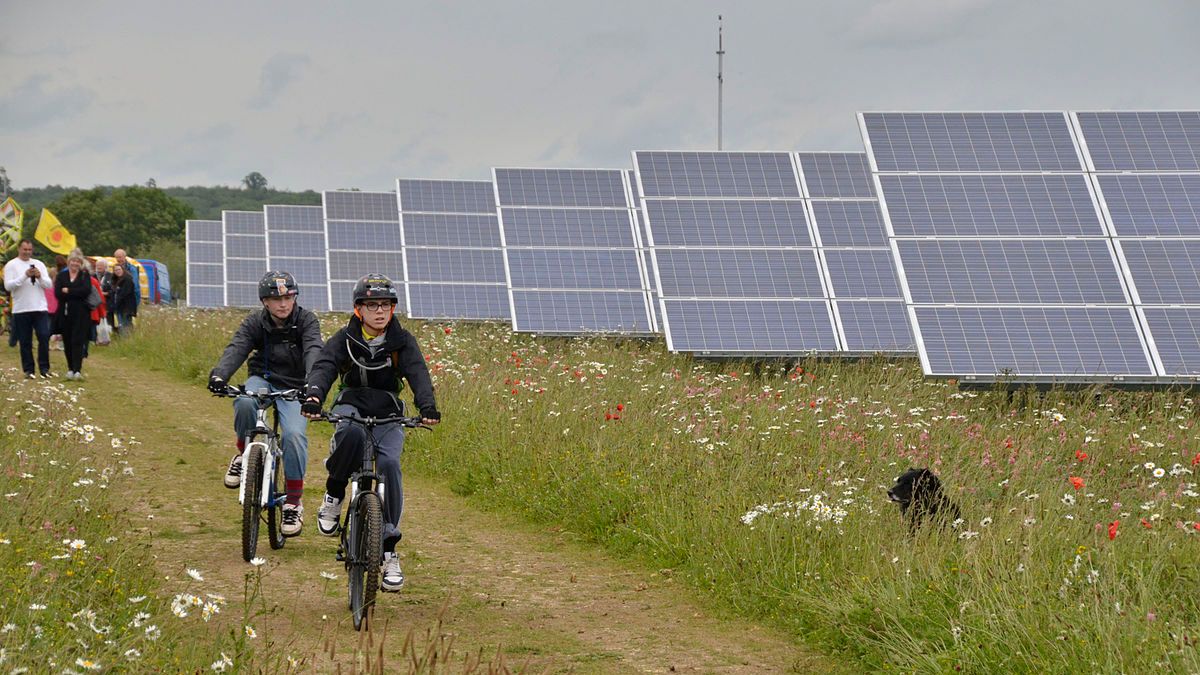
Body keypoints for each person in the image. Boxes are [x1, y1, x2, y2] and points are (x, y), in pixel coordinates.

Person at [301, 273, 441, 592]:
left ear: (392, 309)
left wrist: (427, 406)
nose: (379, 311)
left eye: (386, 305)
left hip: (389, 410)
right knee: (348, 434)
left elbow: (418, 374)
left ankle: (389, 549)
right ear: (357, 309)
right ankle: (335, 494)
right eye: (372, 305)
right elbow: (324, 367)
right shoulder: (344, 339)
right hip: (351, 403)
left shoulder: (402, 342)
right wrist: (313, 396)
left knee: (390, 465)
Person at [208, 271, 323, 537]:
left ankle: (293, 502)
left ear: (295, 297)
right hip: (263, 379)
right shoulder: (254, 323)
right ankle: (242, 453)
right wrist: (219, 375)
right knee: (245, 402)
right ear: (264, 302)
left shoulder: (307, 321)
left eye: (288, 297)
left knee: (294, 435)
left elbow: (314, 350)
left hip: (296, 384)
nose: (283, 304)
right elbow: (237, 347)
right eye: (275, 299)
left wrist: (313, 384)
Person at [2, 239, 53, 378]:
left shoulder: (40, 264)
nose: (27, 252)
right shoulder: (11, 265)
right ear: (19, 249)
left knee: (43, 336)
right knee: (25, 341)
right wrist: (25, 275)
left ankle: (44, 368)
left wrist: (39, 276)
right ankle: (29, 370)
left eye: (29, 250)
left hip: (39, 307)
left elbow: (48, 285)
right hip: (21, 308)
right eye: (25, 249)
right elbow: (8, 286)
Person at [53, 250, 93, 380]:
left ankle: (77, 370)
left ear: (81, 263)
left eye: (78, 261)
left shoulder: (84, 275)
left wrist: (69, 290)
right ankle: (70, 368)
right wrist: (75, 292)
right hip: (64, 313)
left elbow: (85, 291)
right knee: (67, 341)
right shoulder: (61, 276)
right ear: (69, 261)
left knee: (78, 341)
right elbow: (58, 293)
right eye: (73, 260)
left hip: (81, 314)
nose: (75, 263)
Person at [113, 248, 140, 322]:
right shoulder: (116, 268)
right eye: (117, 257)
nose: (118, 259)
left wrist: (135, 302)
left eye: (120, 257)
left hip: (129, 300)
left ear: (125, 257)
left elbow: (135, 285)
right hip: (120, 300)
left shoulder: (132, 269)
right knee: (121, 322)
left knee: (126, 322)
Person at [109, 262, 137, 333]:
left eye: (119, 269)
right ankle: (125, 340)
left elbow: (124, 293)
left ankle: (128, 340)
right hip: (119, 307)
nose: (117, 271)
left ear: (123, 270)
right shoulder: (115, 280)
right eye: (115, 270)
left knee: (126, 325)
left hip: (126, 307)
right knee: (121, 325)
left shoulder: (128, 279)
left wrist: (117, 300)